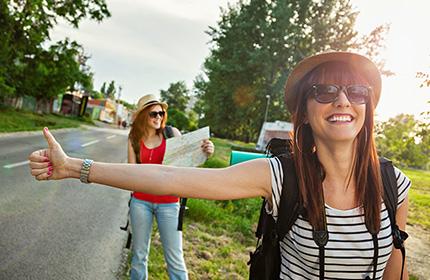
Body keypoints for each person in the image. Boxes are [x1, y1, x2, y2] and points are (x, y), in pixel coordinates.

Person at [29, 51, 410, 279]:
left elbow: (396, 270)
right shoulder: (280, 175)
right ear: (305, 113)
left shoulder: (393, 183)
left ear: (367, 107)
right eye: (325, 91)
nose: (343, 100)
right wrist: (74, 166)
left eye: (356, 91)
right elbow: (167, 175)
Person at [125, 94, 214, 280]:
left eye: (161, 113)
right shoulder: (134, 139)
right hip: (140, 202)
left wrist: (207, 152)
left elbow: (190, 162)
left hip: (169, 203)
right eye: (153, 114)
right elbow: (130, 174)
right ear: (143, 117)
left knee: (175, 258)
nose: (158, 117)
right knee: (139, 255)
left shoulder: (172, 134)